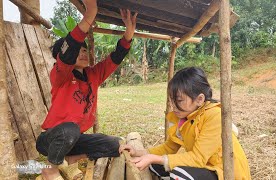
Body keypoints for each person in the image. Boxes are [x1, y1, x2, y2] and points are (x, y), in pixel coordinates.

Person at [35, 0, 137, 179]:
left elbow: (115, 58)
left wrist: (129, 33)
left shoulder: (93, 74)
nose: (82, 52)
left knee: (114, 144)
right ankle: (50, 169)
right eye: (78, 49)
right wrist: (90, 14)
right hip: (51, 139)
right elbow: (68, 52)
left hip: (74, 139)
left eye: (85, 49)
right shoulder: (60, 75)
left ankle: (71, 159)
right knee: (70, 130)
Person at [119, 67, 251, 180]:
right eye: (172, 100)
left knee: (179, 174)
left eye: (179, 100)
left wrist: (155, 158)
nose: (174, 106)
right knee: (154, 164)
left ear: (199, 99)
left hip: (226, 172)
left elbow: (197, 158)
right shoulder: (184, 117)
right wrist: (138, 152)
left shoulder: (214, 116)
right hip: (206, 167)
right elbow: (169, 148)